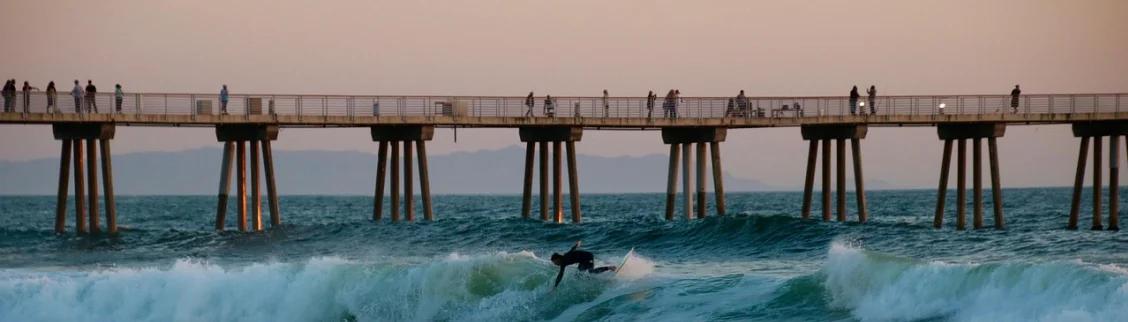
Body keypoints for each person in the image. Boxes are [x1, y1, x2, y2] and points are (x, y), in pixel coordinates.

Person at [550, 240, 616, 289]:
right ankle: (598, 280)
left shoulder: (566, 256)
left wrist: (577, 244)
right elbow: (560, 275)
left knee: (591, 271)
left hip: (588, 256)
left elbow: (572, 250)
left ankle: (609, 268)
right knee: (578, 275)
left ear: (558, 259)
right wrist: (555, 286)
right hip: (582, 261)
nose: (555, 264)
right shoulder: (563, 263)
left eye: (555, 262)